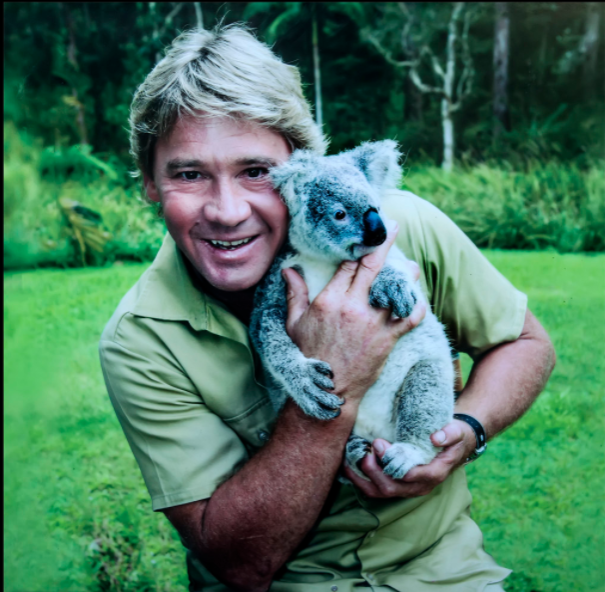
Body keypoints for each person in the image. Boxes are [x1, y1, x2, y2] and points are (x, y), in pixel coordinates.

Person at [99, 24, 555, 592]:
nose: (226, 210)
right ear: (148, 182)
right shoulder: (139, 338)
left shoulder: (398, 225)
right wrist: (340, 376)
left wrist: (465, 430)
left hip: (443, 572)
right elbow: (241, 565)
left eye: (256, 172)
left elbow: (525, 343)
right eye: (189, 174)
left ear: (302, 167)